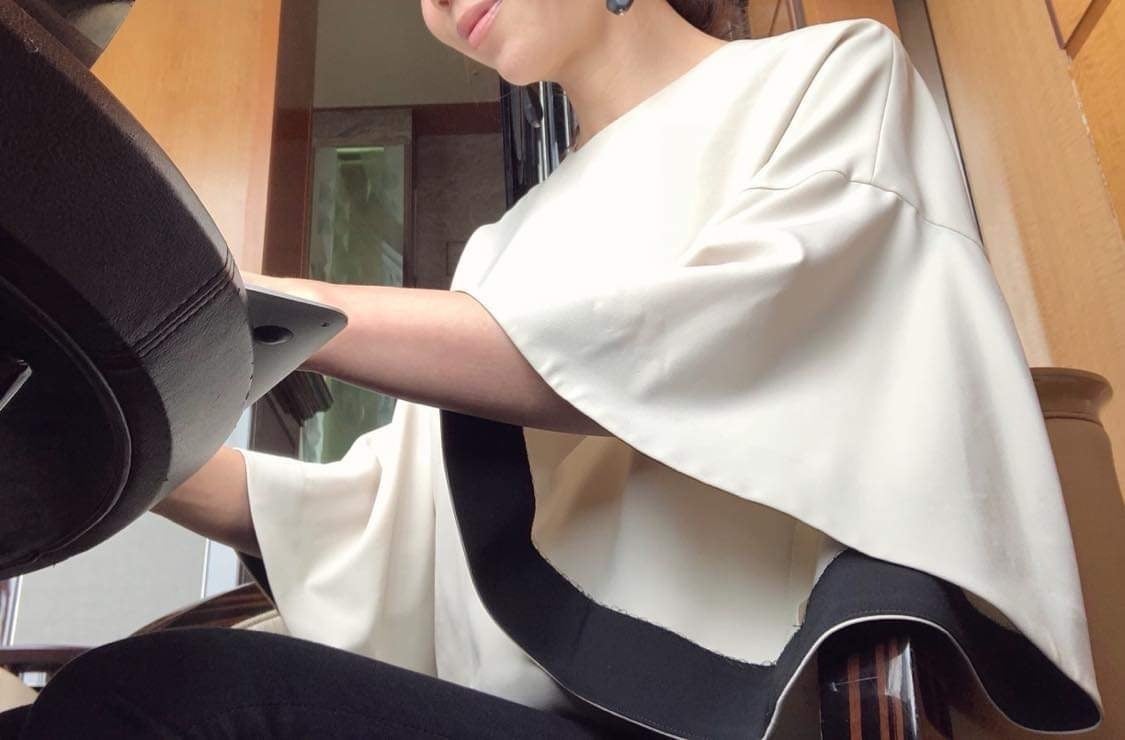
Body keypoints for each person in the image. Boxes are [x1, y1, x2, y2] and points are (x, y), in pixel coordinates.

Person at [0, 0, 1102, 737]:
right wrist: (77, 408)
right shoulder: (502, 247)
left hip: (711, 712)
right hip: (519, 707)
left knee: (171, 696)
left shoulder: (827, 74)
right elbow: (372, 519)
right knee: (101, 696)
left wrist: (227, 300)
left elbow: (690, 336)